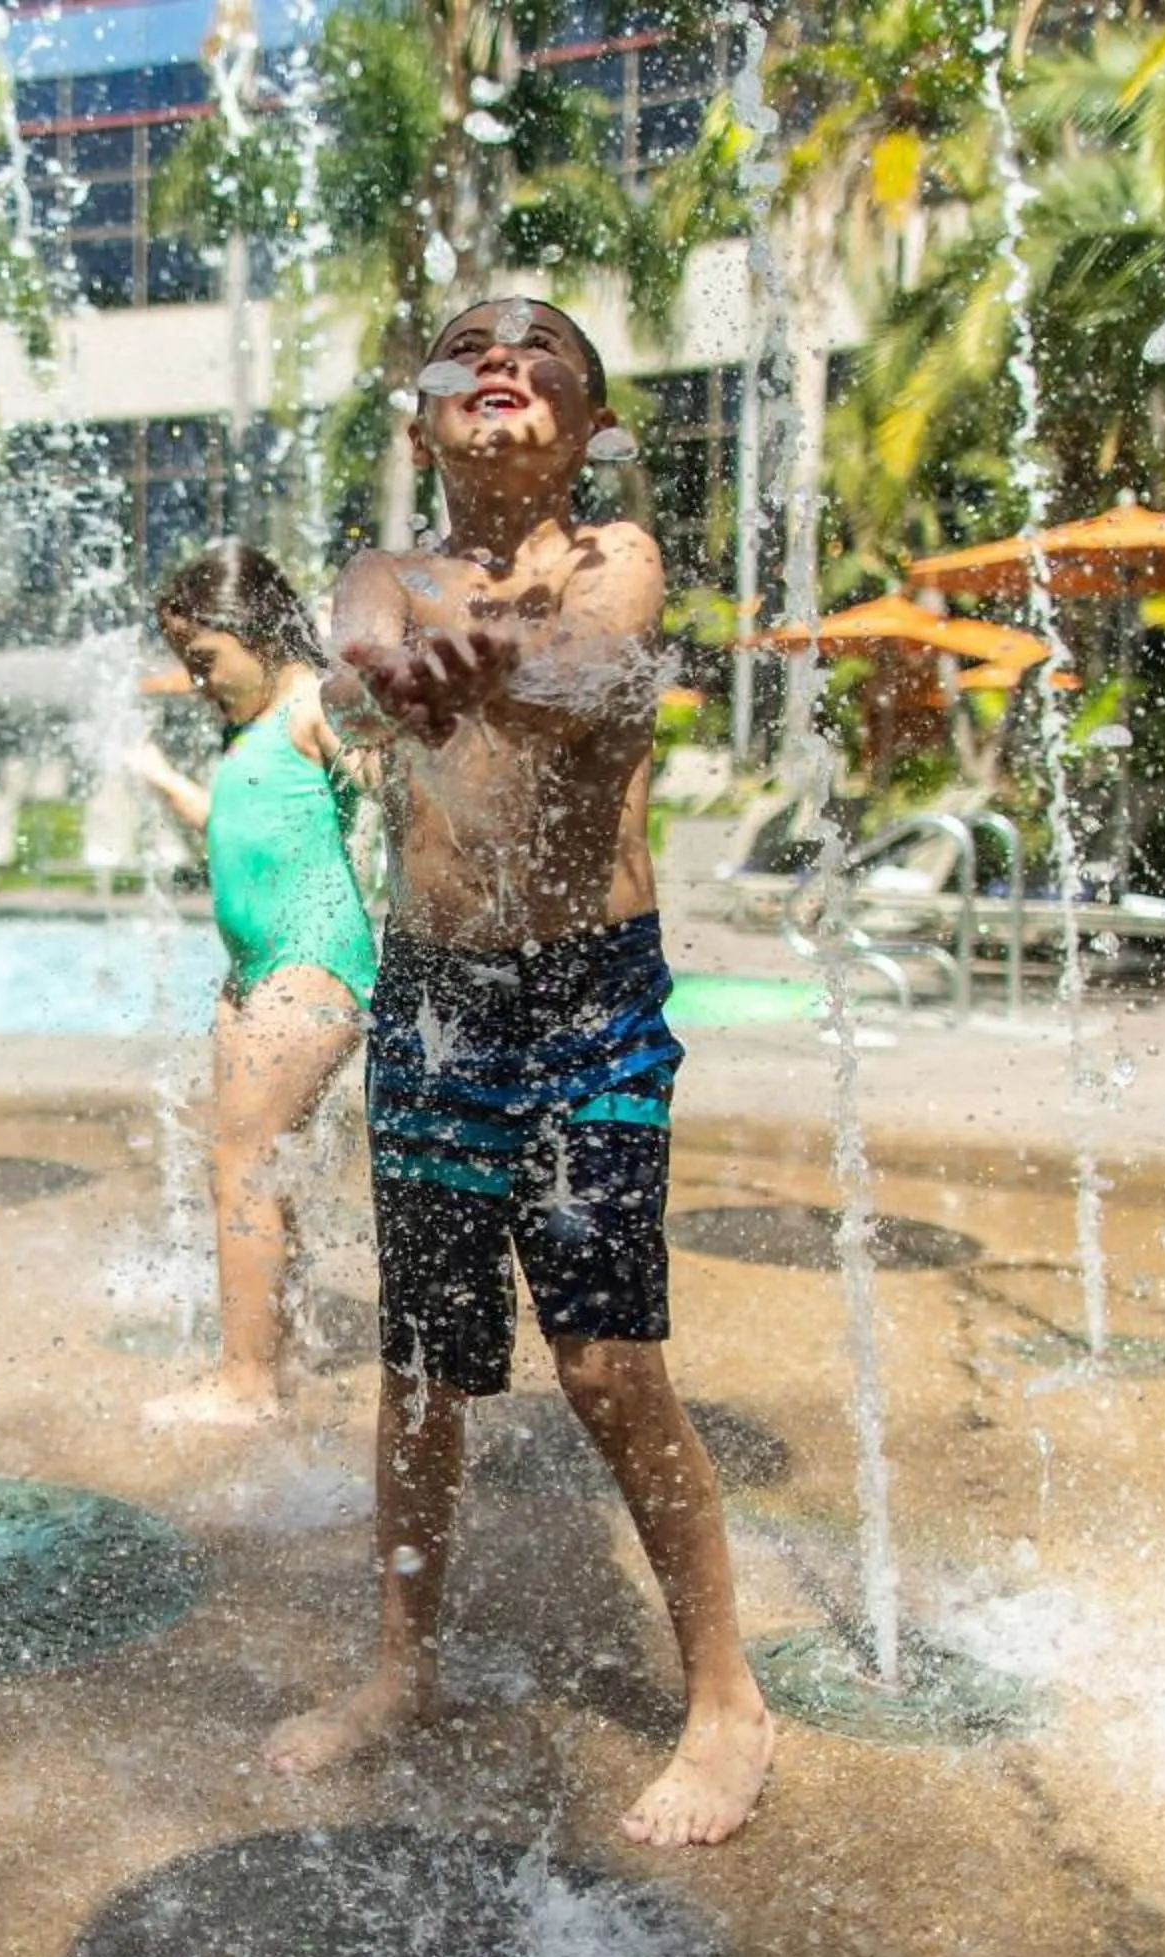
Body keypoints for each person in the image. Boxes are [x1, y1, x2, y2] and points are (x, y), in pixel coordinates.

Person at [266, 298, 774, 1848]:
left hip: (585, 1003)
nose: (502, 358)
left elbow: (586, 683)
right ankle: (402, 1668)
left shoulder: (617, 555)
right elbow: (358, 678)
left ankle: (727, 1700)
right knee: (422, 1365)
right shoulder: (382, 570)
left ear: (592, 421)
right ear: (420, 425)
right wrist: (436, 651)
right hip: (431, 1002)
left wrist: (483, 654)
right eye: (469, 349)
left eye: (543, 350)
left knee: (609, 1363)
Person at [126, 542, 375, 1427]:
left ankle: (244, 1384)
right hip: (255, 975)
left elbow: (389, 782)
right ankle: (284, 1355)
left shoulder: (316, 704)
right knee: (263, 1169)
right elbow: (231, 826)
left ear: (254, 628)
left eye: (204, 662)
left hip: (311, 962)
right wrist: (160, 780)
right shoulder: (254, 733)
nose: (198, 683)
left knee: (243, 1167)